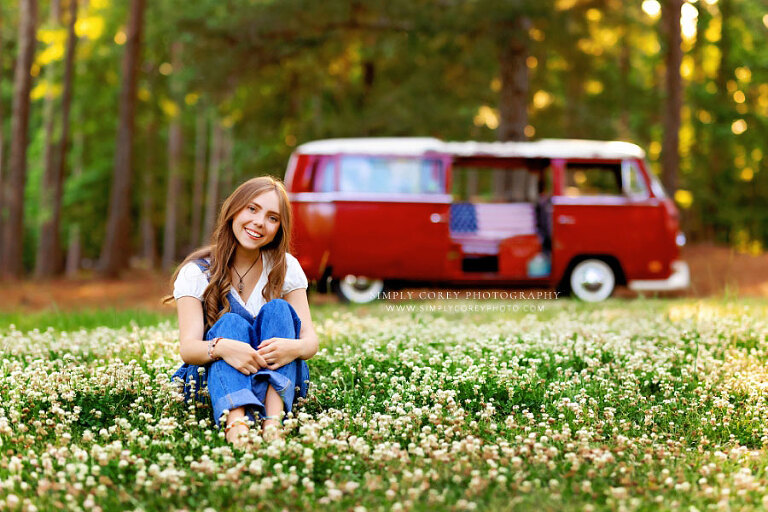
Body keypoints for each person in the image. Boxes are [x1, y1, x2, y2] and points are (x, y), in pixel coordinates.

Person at [166, 176, 318, 445]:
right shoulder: (197, 272)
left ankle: (273, 423)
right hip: (217, 383)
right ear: (233, 210)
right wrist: (223, 347)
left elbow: (310, 341)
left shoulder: (285, 266)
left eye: (273, 217)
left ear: (280, 228)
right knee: (230, 324)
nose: (259, 222)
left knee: (279, 310)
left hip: (278, 381)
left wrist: (292, 348)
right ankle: (236, 425)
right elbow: (188, 349)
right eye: (252, 209)